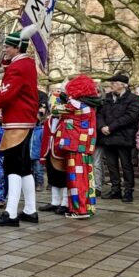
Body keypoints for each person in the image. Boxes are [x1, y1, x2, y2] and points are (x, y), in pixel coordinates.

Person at [0, 29, 40, 227]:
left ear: (17, 47)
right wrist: (6, 62)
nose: (4, 49)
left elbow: (6, 93)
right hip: (24, 120)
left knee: (12, 167)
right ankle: (30, 209)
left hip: (17, 121)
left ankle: (11, 213)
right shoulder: (26, 63)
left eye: (7, 46)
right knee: (24, 168)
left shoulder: (18, 67)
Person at [49, 75, 101, 219]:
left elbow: (54, 110)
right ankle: (87, 207)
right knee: (86, 178)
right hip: (85, 147)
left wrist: (59, 96)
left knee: (76, 179)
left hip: (75, 146)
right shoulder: (89, 105)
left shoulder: (76, 105)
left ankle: (80, 210)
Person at [97, 73, 139, 203]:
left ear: (123, 85)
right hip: (108, 137)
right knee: (111, 165)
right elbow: (99, 114)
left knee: (126, 165)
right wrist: (102, 126)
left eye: (114, 83)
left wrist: (111, 127)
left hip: (123, 137)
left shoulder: (133, 99)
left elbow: (130, 116)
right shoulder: (107, 98)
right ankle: (115, 190)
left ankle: (128, 191)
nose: (111, 85)